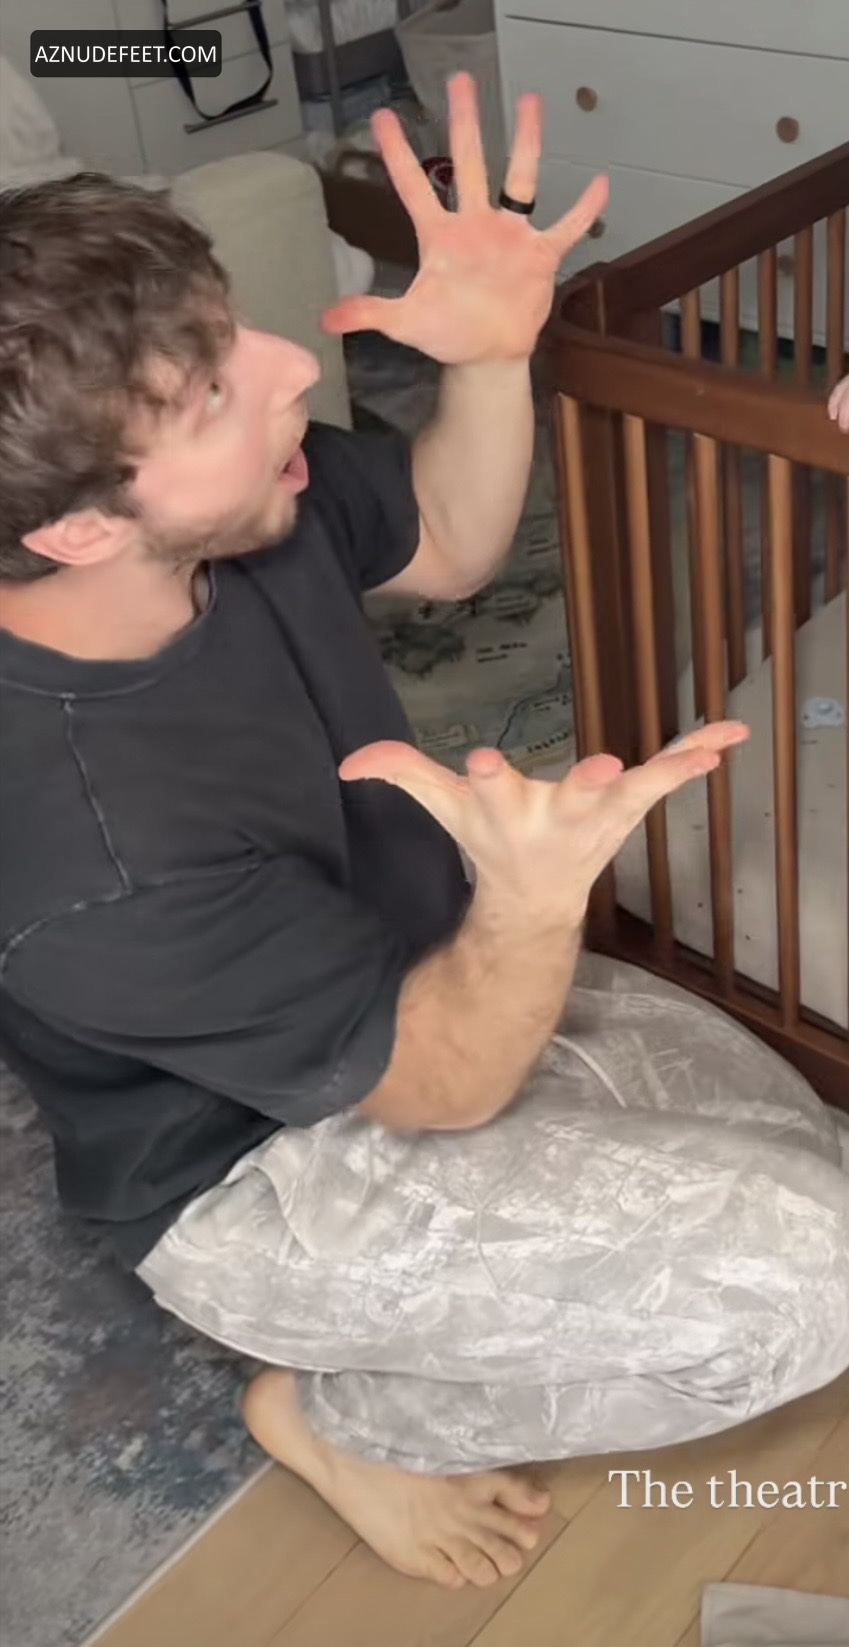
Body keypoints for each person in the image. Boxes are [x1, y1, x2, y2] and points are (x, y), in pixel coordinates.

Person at [1, 74, 847, 1593]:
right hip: (252, 1165)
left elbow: (450, 543)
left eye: (229, 329)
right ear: (75, 529)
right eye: (212, 389)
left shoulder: (236, 511)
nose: (285, 362)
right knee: (812, 1284)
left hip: (405, 964)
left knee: (797, 1146)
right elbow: (444, 1082)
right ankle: (334, 1416)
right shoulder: (84, 851)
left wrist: (496, 355)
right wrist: (530, 902)